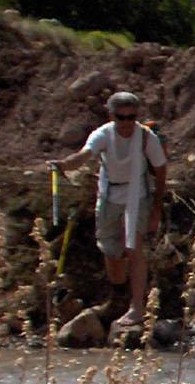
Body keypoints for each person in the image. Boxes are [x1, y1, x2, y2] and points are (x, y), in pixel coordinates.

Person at [49, 92, 168, 327]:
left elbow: (161, 170)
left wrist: (156, 207)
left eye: (131, 117)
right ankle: (119, 294)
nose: (126, 123)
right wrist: (63, 165)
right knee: (110, 249)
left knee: (134, 247)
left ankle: (137, 307)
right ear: (112, 116)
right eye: (121, 118)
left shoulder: (146, 138)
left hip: (138, 193)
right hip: (110, 193)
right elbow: (84, 156)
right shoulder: (103, 134)